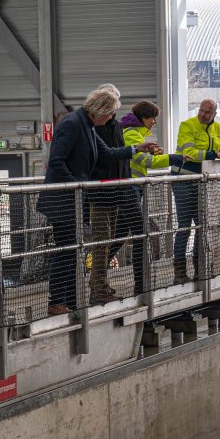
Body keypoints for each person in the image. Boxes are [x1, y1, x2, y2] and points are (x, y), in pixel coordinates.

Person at [36, 85, 157, 315]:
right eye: (111, 113)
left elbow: (108, 153)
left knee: (73, 251)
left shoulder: (88, 125)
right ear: (101, 111)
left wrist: (136, 149)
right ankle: (56, 302)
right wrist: (78, 186)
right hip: (63, 200)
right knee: (66, 251)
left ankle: (70, 301)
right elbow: (57, 162)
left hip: (74, 199)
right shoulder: (72, 125)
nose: (113, 118)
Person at [120, 100, 184, 294]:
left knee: (119, 234)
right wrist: (172, 158)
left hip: (133, 189)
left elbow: (145, 159)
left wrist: (155, 153)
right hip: (128, 189)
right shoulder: (131, 134)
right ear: (144, 118)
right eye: (153, 118)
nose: (154, 122)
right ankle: (141, 286)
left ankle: (99, 280)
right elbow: (145, 161)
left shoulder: (136, 134)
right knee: (140, 233)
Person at [173, 99, 220, 280]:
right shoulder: (187, 125)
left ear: (214, 114)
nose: (202, 115)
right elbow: (190, 154)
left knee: (201, 227)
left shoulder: (219, 129)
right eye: (201, 110)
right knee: (185, 226)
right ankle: (180, 273)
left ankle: (199, 269)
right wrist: (217, 155)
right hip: (183, 179)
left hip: (204, 182)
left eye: (207, 112)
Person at [86, 84, 133, 305]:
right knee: (101, 241)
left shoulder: (115, 126)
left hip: (115, 191)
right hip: (100, 193)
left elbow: (120, 159)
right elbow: (106, 157)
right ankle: (98, 287)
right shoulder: (95, 128)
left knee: (108, 240)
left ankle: (100, 285)